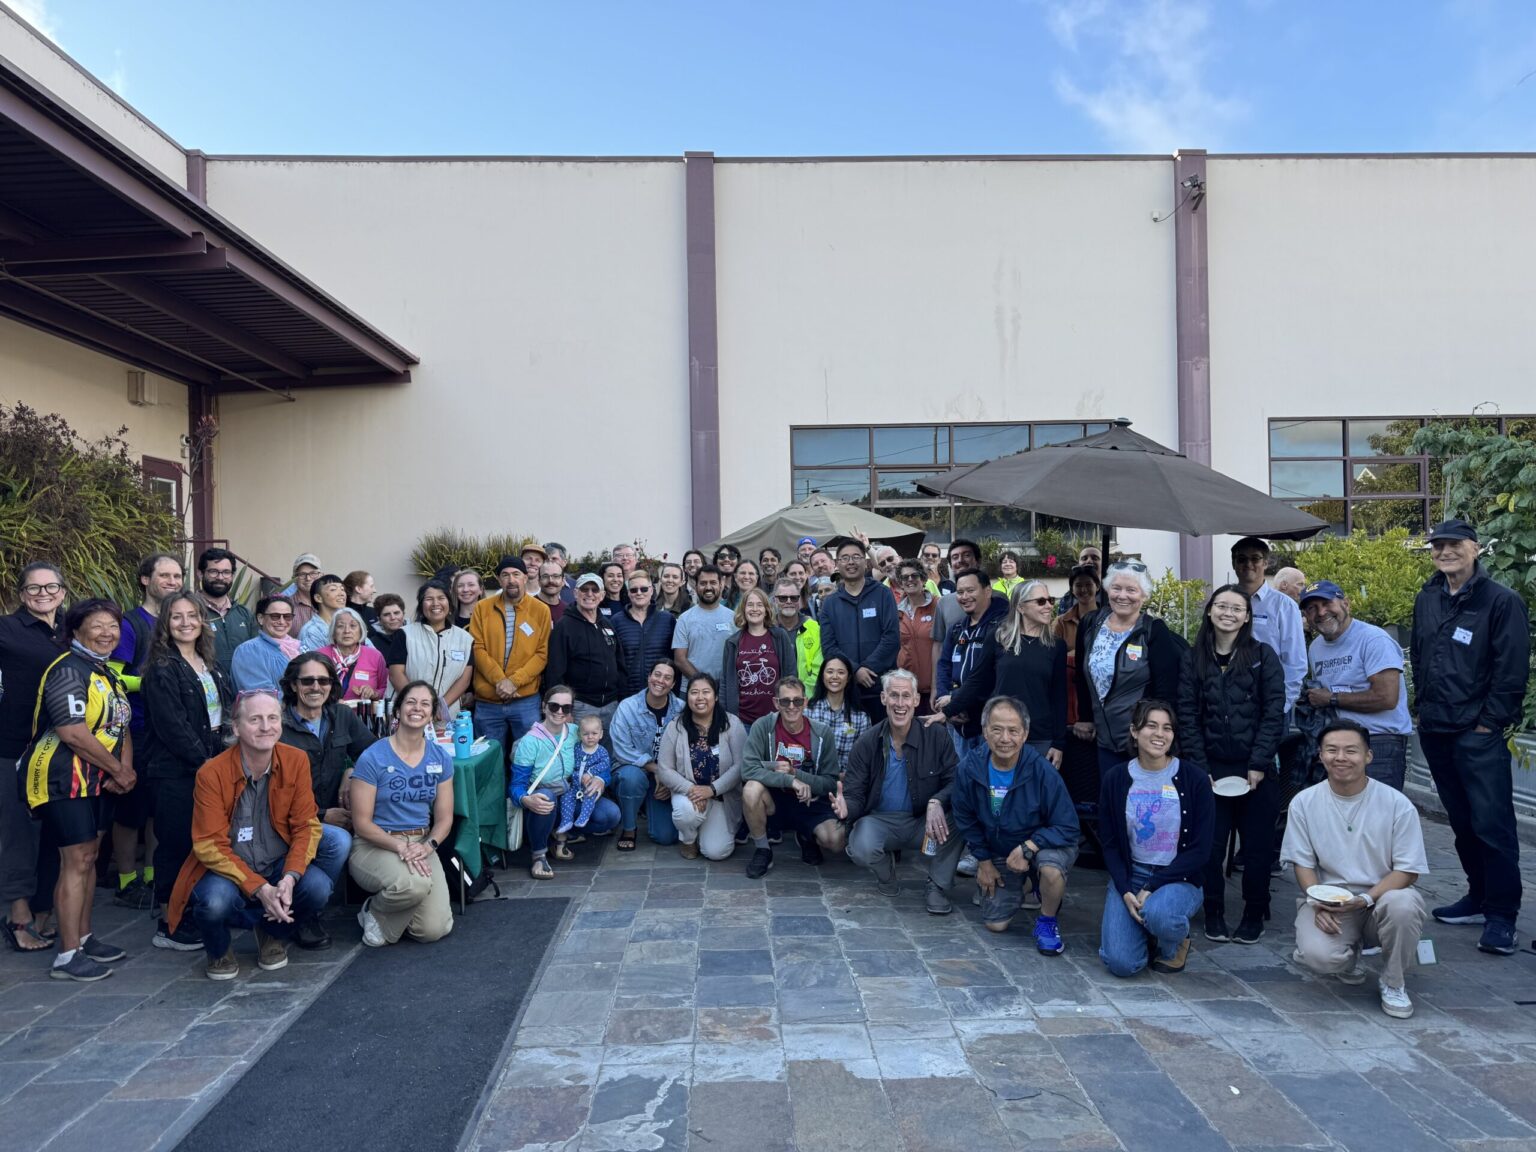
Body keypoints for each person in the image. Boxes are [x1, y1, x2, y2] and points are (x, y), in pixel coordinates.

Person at [165, 688, 347, 980]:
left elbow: (306, 825)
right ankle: (219, 948)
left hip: (275, 861)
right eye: (255, 719)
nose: (266, 726)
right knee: (214, 902)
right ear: (236, 727)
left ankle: (271, 931)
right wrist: (260, 888)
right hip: (227, 869)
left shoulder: (295, 760)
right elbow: (209, 845)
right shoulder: (211, 773)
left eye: (273, 718)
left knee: (317, 888)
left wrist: (290, 878)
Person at [1412, 519, 1530, 956]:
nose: (1444, 552)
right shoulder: (1428, 597)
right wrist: (1421, 709)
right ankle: (1478, 898)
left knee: (1492, 826)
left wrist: (1489, 722)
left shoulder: (1501, 601)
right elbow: (1421, 654)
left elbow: (1512, 668)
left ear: (1475, 549)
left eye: (1453, 544)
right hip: (1437, 730)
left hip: (1476, 734)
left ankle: (1502, 916)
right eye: (1437, 545)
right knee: (1461, 823)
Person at [1281, 719, 1429, 1018]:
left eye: (1351, 751)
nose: (1341, 758)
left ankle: (1393, 981)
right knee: (1317, 956)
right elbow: (1303, 863)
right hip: (1333, 900)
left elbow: (1408, 870)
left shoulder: (1396, 804)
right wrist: (1317, 901)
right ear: (1320, 755)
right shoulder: (1304, 802)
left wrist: (1366, 900)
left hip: (1383, 898)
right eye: (1332, 750)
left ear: (1368, 756)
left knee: (1404, 904)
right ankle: (1349, 957)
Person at [21, 600, 133, 981]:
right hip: (61, 777)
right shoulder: (68, 669)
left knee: (89, 857)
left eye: (113, 626)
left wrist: (125, 770)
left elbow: (121, 726)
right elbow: (71, 731)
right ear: (76, 631)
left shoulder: (106, 672)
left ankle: (84, 937)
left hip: (98, 778)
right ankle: (68, 956)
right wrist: (118, 768)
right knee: (77, 860)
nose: (108, 633)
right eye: (98, 626)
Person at [1178, 586, 1285, 945]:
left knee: (1256, 848)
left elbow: (1274, 712)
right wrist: (1197, 765)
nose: (1228, 613)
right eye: (1221, 606)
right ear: (1209, 612)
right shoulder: (1193, 658)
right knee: (1209, 846)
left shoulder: (1262, 656)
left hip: (1256, 768)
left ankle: (1254, 914)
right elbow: (1187, 715)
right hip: (1209, 768)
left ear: (1247, 616)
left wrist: (1258, 761)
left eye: (1237, 608)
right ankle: (1214, 913)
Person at [142, 593, 235, 951]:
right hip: (176, 771)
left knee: (205, 844)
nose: (185, 623)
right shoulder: (163, 669)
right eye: (176, 617)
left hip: (209, 763)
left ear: (202, 620)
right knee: (176, 844)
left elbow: (223, 714)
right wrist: (209, 766)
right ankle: (169, 924)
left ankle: (196, 912)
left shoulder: (208, 663)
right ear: (165, 624)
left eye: (192, 615)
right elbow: (173, 728)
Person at [952, 695, 1079, 951]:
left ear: (1025, 734)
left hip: (1041, 846)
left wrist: (1029, 847)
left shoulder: (1042, 770)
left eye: (1013, 731)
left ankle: (1046, 919)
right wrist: (984, 862)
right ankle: (1028, 883)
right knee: (995, 925)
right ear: (985, 731)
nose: (1005, 738)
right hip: (1000, 851)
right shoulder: (970, 768)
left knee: (1051, 870)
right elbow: (965, 818)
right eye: (997, 730)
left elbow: (1068, 826)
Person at [1097, 699, 1214, 976]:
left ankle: (1173, 942)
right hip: (1131, 874)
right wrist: (1126, 889)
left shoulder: (1194, 779)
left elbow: (1201, 850)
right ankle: (1145, 926)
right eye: (1151, 726)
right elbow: (1111, 844)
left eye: (1167, 728)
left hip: (1177, 878)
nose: (1160, 734)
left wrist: (1152, 886)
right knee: (1121, 965)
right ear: (1134, 732)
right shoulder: (1115, 778)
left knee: (1159, 915)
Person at [834, 669, 964, 912]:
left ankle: (937, 885)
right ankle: (886, 872)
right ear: (883, 698)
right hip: (881, 820)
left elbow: (955, 780)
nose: (900, 703)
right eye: (894, 695)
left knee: (960, 818)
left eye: (906, 696)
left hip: (922, 822)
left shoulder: (936, 735)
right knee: (859, 846)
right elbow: (854, 794)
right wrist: (846, 808)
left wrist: (937, 801)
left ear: (916, 700)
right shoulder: (867, 742)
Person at [348, 681, 456, 947]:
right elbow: (361, 823)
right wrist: (400, 847)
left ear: (432, 714)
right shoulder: (373, 757)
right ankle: (375, 910)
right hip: (376, 843)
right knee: (414, 885)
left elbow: (444, 818)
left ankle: (389, 913)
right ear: (397, 710)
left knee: (433, 929)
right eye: (410, 702)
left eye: (425, 704)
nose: (417, 708)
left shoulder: (440, 758)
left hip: (421, 845)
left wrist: (428, 846)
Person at [107, 551, 184, 908]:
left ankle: (154, 877)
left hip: (167, 730)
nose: (172, 582)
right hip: (133, 731)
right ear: (145, 580)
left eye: (177, 576)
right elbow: (113, 674)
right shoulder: (129, 624)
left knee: (158, 809)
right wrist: (153, 682)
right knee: (131, 809)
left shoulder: (180, 623)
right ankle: (126, 881)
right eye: (165, 576)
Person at [0, 562, 66, 954]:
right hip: (13, 747)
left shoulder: (68, 631)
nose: (43, 594)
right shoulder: (7, 629)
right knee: (18, 834)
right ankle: (18, 916)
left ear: (62, 591)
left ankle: (42, 912)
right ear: (22, 594)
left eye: (50, 587)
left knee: (52, 834)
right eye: (34, 589)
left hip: (59, 749)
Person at [1073, 561, 1183, 779]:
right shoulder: (1090, 624)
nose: (1122, 595)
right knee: (1112, 801)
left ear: (1144, 595)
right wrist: (1085, 716)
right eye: (1116, 588)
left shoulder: (1153, 631)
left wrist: (1156, 734)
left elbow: (1165, 692)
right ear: (1106, 590)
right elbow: (1081, 674)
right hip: (1104, 740)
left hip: (1143, 741)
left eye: (1131, 590)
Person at [279, 652, 377, 896]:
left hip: (337, 813)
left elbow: (375, 754)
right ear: (293, 685)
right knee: (339, 840)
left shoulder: (341, 715)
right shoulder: (277, 727)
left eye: (323, 681)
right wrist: (321, 815)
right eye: (307, 681)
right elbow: (272, 796)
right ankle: (311, 902)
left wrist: (351, 770)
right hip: (290, 822)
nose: (315, 687)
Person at [1300, 580, 1413, 791]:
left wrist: (1330, 698)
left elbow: (1387, 698)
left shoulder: (1374, 639)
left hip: (1378, 743)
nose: (1321, 612)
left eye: (1326, 603)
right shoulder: (1316, 647)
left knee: (1378, 817)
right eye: (1311, 608)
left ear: (1346, 604)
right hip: (1337, 743)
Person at [938, 580, 1067, 764]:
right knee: (998, 791)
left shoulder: (1056, 645)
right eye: (1041, 601)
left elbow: (1059, 696)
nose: (1048, 606)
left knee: (1034, 792)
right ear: (1021, 607)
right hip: (1001, 733)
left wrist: (1059, 743)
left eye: (1050, 600)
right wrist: (947, 711)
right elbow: (977, 681)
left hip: (1040, 735)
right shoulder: (999, 638)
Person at [512, 685, 621, 878]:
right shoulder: (530, 742)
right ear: (544, 706)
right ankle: (539, 855)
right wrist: (525, 799)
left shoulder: (575, 732)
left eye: (566, 708)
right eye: (554, 706)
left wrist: (601, 779)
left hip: (570, 795)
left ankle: (560, 833)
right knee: (546, 797)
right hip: (541, 800)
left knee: (610, 815)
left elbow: (601, 762)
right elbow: (515, 786)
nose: (560, 712)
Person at [741, 677, 846, 874]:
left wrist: (796, 774)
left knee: (836, 841)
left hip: (810, 801)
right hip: (775, 799)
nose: (791, 706)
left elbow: (831, 782)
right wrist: (790, 780)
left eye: (797, 701)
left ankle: (806, 835)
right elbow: (748, 769)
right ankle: (763, 849)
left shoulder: (822, 733)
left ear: (805, 702)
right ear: (775, 703)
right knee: (750, 789)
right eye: (785, 701)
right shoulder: (762, 726)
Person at [656, 673, 746, 862]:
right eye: (694, 692)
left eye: (706, 692)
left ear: (715, 696)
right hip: (688, 793)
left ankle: (704, 829)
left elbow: (740, 766)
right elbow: (664, 768)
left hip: (722, 796)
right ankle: (688, 838)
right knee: (685, 813)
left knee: (716, 852)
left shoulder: (732, 724)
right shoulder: (676, 726)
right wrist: (692, 789)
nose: (700, 697)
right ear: (687, 696)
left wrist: (712, 790)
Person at [468, 556, 552, 757]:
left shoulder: (541, 610)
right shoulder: (482, 608)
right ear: (499, 580)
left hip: (525, 700)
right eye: (505, 575)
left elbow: (542, 654)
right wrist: (501, 682)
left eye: (516, 574)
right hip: (488, 700)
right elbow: (477, 648)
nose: (511, 580)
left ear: (525, 577)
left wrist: (514, 682)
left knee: (528, 757)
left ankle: (525, 791)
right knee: (488, 761)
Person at [818, 538, 900, 722]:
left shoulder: (883, 594)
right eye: (845, 558)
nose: (851, 562)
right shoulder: (830, 603)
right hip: (846, 691)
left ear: (866, 562)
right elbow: (829, 647)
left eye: (856, 557)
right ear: (837, 564)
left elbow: (892, 638)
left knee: (883, 745)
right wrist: (855, 670)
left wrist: (868, 668)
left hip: (881, 689)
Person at [932, 568, 1008, 759]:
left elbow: (993, 676)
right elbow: (943, 666)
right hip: (957, 723)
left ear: (987, 591)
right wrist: (945, 699)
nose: (964, 597)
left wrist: (957, 702)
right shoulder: (956, 629)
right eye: (960, 592)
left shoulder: (1004, 628)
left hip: (989, 724)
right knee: (963, 781)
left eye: (970, 591)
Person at [611, 659, 685, 849]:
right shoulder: (627, 707)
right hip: (634, 769)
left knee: (666, 837)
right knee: (631, 778)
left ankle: (646, 801)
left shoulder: (682, 710)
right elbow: (621, 749)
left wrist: (670, 779)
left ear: (674, 684)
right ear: (649, 677)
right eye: (657, 675)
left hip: (666, 773)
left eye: (668, 678)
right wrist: (656, 769)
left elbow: (686, 749)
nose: (661, 681)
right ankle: (629, 828)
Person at [1231, 537, 1306, 718]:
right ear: (1234, 563)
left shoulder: (1284, 606)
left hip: (1270, 704)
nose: (1248, 564)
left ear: (1265, 563)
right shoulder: (1223, 601)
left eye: (1255, 558)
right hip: (1230, 704)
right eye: (1242, 559)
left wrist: (1282, 706)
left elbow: (1295, 661)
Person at [547, 573, 626, 735]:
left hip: (611, 705)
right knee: (579, 755)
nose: (590, 594)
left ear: (602, 595)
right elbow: (555, 672)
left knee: (607, 754)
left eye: (595, 590)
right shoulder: (564, 626)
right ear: (575, 593)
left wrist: (621, 699)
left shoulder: (607, 625)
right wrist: (564, 709)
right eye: (585, 589)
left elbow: (620, 663)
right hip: (580, 707)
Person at [388, 580, 475, 718]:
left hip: (446, 716)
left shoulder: (465, 639)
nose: (436, 604)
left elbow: (464, 679)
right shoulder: (405, 634)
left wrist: (440, 707)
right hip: (408, 712)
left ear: (449, 604)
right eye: (429, 599)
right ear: (421, 605)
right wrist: (419, 706)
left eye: (441, 598)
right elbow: (396, 674)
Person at [1053, 563, 1104, 796]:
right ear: (1072, 589)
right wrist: (1079, 655)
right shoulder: (1062, 622)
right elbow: (1054, 655)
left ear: (1097, 586)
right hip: (1070, 693)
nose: (1084, 590)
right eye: (1078, 585)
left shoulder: (1108, 617)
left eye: (1088, 585)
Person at [721, 588, 794, 728]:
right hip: (742, 721)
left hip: (775, 719)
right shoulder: (732, 642)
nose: (755, 609)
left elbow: (791, 675)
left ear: (766, 609)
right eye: (750, 605)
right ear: (743, 609)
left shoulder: (779, 637)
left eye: (759, 605)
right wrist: (726, 716)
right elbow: (725, 683)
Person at [611, 568, 677, 698]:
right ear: (628, 593)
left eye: (644, 589)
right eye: (634, 590)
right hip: (627, 696)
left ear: (651, 590)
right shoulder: (616, 621)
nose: (639, 593)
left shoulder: (667, 619)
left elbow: (674, 658)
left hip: (661, 693)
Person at [194, 548, 256, 678]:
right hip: (205, 688)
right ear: (200, 574)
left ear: (232, 575)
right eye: (213, 571)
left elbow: (256, 654)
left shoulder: (244, 614)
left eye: (226, 572)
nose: (220, 577)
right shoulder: (190, 612)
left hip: (241, 688)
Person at [804, 655, 868, 771]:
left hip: (847, 782)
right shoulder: (808, 712)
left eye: (841, 672)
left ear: (848, 678)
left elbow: (864, 758)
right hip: (813, 782)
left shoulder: (861, 718)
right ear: (822, 676)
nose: (835, 677)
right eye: (829, 672)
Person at [673, 565, 734, 686]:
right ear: (696, 587)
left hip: (725, 689)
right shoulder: (684, 619)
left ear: (721, 585)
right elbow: (680, 660)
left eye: (713, 582)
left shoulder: (733, 618)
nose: (708, 587)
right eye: (703, 583)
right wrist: (704, 684)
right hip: (692, 689)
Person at [893, 559, 938, 712]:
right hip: (907, 691)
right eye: (905, 577)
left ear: (923, 579)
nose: (910, 580)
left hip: (933, 689)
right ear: (900, 582)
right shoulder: (896, 611)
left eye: (915, 575)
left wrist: (937, 687)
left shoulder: (938, 606)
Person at [232, 596, 301, 692]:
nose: (282, 621)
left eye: (287, 616)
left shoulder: (299, 647)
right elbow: (260, 694)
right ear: (260, 618)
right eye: (275, 616)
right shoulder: (249, 651)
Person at [319, 608, 388, 703]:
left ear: (361, 631)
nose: (347, 631)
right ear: (333, 632)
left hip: (361, 715)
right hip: (326, 714)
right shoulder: (319, 656)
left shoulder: (375, 656)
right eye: (340, 626)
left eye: (353, 626)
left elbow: (385, 687)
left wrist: (373, 693)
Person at [773, 577, 822, 688]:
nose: (789, 601)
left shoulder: (814, 628)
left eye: (794, 598)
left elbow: (819, 669)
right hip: (773, 698)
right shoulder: (766, 629)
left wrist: (801, 695)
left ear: (799, 600)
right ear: (774, 600)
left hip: (807, 697)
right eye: (783, 598)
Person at [296, 574, 347, 651]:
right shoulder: (311, 632)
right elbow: (311, 661)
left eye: (342, 589)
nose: (341, 594)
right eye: (333, 589)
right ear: (318, 598)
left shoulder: (350, 624)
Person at [285, 554, 323, 631]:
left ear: (321, 575)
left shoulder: (329, 603)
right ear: (294, 579)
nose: (308, 578)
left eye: (313, 573)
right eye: (302, 574)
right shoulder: (286, 606)